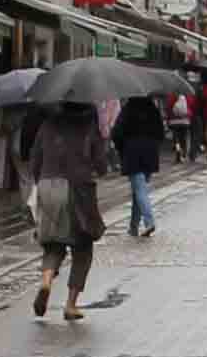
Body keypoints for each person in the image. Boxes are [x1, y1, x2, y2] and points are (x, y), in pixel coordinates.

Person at [26, 98, 112, 320]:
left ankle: (46, 282)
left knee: (53, 244)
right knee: (82, 248)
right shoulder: (89, 128)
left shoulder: (47, 124)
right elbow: (102, 165)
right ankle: (70, 305)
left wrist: (41, 182)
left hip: (48, 185)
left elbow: (34, 159)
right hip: (77, 190)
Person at [112, 82, 169, 240]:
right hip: (150, 153)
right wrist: (154, 145)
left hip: (132, 153)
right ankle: (133, 227)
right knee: (139, 190)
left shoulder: (128, 109)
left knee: (140, 189)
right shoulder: (153, 110)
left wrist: (120, 147)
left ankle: (149, 222)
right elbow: (160, 132)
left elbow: (117, 132)